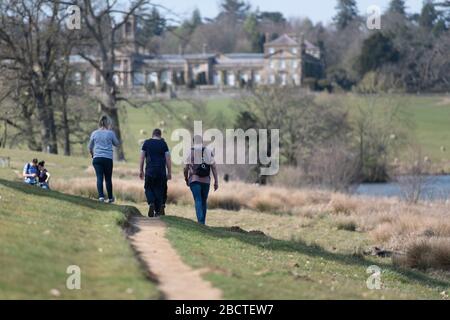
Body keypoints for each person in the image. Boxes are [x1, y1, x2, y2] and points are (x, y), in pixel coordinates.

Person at [184, 135, 219, 225]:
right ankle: (203, 222)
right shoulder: (208, 151)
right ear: (202, 141)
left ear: (193, 142)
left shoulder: (190, 151)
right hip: (206, 181)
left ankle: (200, 222)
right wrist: (216, 181)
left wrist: (186, 178)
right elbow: (214, 167)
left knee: (198, 199)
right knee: (204, 200)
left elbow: (186, 167)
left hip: (194, 179)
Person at [140, 129, 172, 217]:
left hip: (149, 171)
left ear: (152, 134)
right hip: (161, 171)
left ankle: (151, 203)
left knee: (148, 188)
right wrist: (169, 172)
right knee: (159, 190)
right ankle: (158, 211)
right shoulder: (163, 143)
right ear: (160, 135)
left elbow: (142, 157)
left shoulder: (146, 143)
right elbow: (168, 159)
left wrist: (141, 170)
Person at [88, 115, 120, 203]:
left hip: (97, 158)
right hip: (107, 158)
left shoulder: (94, 133)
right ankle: (110, 198)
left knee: (99, 177)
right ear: (108, 123)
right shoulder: (110, 133)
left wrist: (92, 155)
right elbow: (117, 144)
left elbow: (90, 147)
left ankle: (101, 197)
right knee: (108, 178)